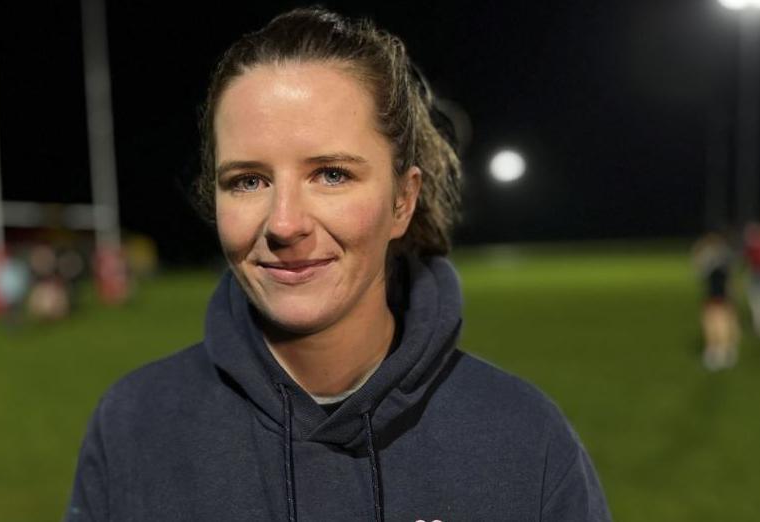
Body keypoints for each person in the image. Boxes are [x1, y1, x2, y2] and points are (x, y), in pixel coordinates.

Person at [65, 6, 610, 521]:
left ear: (403, 200)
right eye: (248, 181)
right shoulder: (134, 429)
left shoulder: (524, 441)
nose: (284, 223)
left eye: (331, 174)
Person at [692, 231, 739, 370]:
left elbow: (698, 270)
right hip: (720, 294)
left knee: (717, 322)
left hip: (717, 294)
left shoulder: (712, 257)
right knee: (721, 321)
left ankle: (720, 351)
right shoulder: (726, 255)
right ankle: (723, 350)